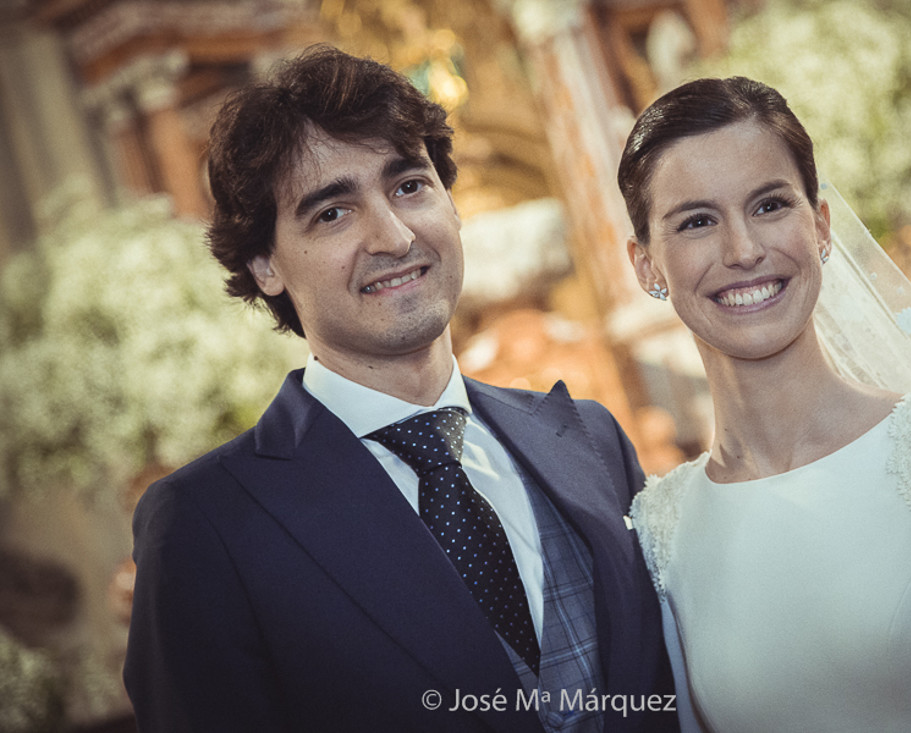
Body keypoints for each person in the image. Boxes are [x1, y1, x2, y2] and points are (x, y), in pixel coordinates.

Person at [123, 44, 678, 733]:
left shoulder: (591, 439)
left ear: (451, 201)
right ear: (265, 262)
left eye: (409, 185)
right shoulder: (206, 527)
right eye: (332, 213)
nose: (392, 234)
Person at [617, 75, 911, 732]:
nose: (744, 249)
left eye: (769, 205)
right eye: (697, 220)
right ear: (646, 264)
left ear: (819, 226)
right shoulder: (662, 530)